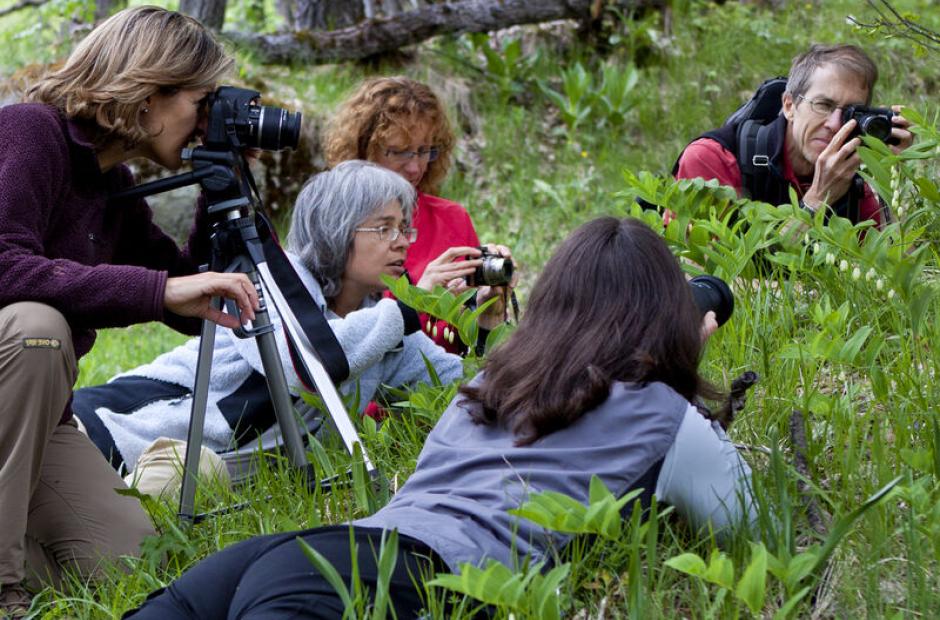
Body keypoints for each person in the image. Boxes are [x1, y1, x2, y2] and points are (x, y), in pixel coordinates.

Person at [124, 216, 757, 619]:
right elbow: (747, 523)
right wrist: (684, 365)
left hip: (314, 550)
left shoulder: (496, 380)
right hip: (399, 579)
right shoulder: (665, 414)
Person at [0, 6, 262, 615]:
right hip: (16, 370)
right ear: (148, 93)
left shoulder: (112, 187)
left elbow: (191, 300)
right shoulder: (29, 132)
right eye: (200, 104)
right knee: (38, 328)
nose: (201, 123)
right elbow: (5, 265)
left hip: (40, 413)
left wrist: (222, 193)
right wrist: (154, 291)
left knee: (123, 560)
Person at [72, 161, 509, 485]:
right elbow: (308, 365)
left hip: (187, 474)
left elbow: (466, 397)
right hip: (106, 433)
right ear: (337, 229)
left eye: (405, 228)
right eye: (384, 228)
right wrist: (412, 308)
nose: (401, 243)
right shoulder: (268, 280)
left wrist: (487, 326)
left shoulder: (384, 332)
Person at [324, 76, 513, 353]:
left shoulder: (453, 219)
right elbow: (332, 343)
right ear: (364, 150)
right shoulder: (337, 221)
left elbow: (472, 356)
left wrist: (489, 314)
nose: (415, 168)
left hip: (442, 387)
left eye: (425, 151)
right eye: (399, 152)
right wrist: (419, 299)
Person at [674, 44, 914, 227]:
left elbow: (896, 271)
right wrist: (818, 199)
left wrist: (893, 176)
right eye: (823, 105)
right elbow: (705, 281)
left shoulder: (846, 172)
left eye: (850, 112)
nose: (833, 124)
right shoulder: (711, 159)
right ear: (789, 105)